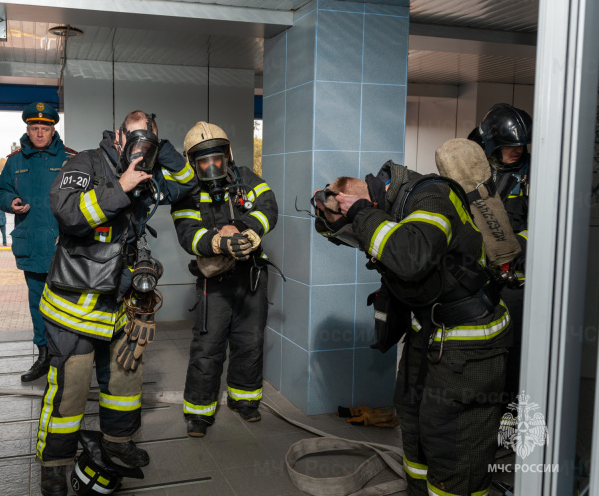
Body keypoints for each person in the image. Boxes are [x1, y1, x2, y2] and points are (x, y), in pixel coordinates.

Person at [312, 161, 511, 496]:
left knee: (451, 438)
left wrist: (360, 215)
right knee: (414, 419)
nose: (357, 240)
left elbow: (412, 257)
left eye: (351, 230)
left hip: (471, 337)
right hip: (431, 331)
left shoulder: (430, 196)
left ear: (360, 201)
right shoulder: (393, 208)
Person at [35, 111, 196, 496]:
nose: (141, 150)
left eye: (148, 143)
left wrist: (162, 147)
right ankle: (55, 464)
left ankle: (118, 442)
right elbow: (68, 213)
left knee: (125, 379)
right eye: (136, 140)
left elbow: (187, 185)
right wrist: (120, 187)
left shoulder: (150, 168)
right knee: (71, 388)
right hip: (74, 304)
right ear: (119, 137)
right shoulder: (86, 162)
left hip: (121, 302)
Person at [168, 122, 278, 438]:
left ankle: (244, 401)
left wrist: (244, 230)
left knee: (250, 340)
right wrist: (218, 241)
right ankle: (199, 413)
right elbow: (188, 234)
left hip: (252, 275)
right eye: (203, 161)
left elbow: (268, 207)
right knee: (209, 343)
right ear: (192, 162)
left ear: (226, 154)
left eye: (216, 157)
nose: (212, 165)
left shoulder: (247, 179)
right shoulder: (186, 190)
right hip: (214, 279)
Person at [0, 102, 76, 382]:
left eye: (45, 128)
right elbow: (1, 190)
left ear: (54, 130)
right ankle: (44, 357)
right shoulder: (15, 162)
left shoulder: (70, 159)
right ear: (27, 130)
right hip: (32, 246)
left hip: (65, 248)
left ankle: (67, 357)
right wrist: (10, 202)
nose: (40, 134)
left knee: (69, 303)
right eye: (34, 128)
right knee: (37, 304)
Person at [468, 103, 532, 404]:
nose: (518, 150)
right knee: (480, 349)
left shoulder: (534, 176)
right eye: (510, 145)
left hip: (516, 285)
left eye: (521, 144)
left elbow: (543, 228)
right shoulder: (478, 172)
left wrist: (514, 246)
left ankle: (510, 416)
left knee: (512, 351)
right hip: (479, 279)